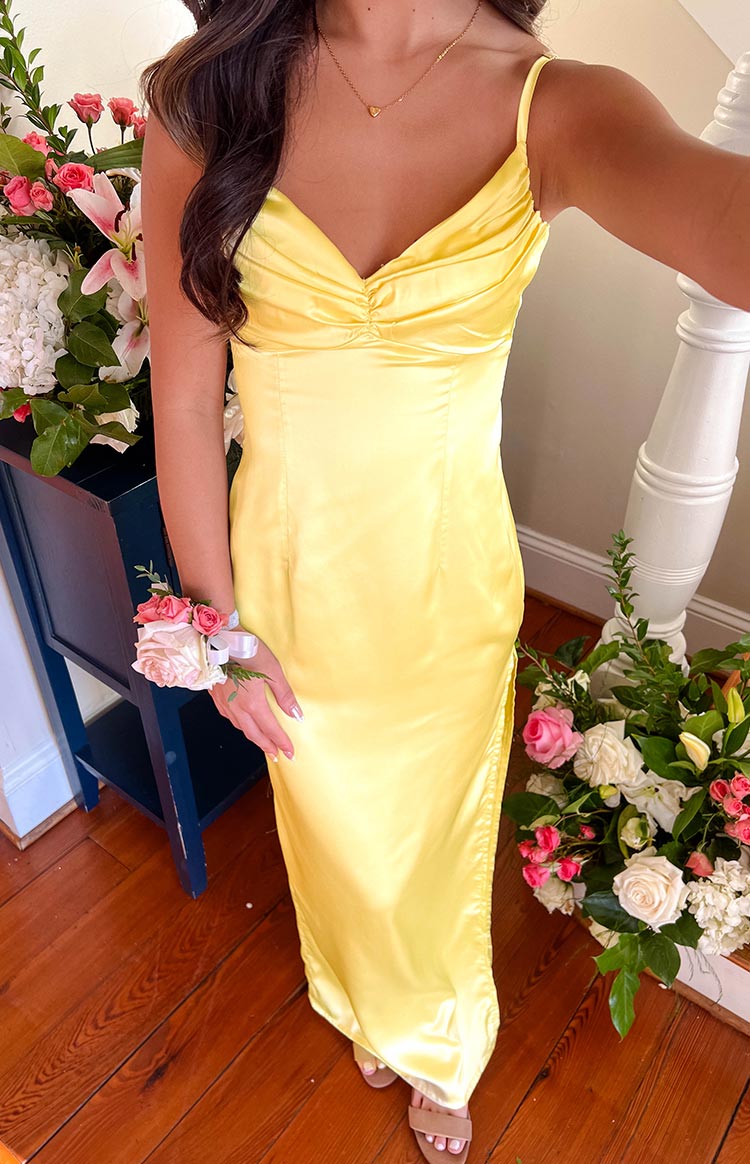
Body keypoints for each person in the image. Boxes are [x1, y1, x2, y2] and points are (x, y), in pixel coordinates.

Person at [138, 2, 750, 1159]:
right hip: (285, 578)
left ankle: (439, 1037)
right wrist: (217, 630)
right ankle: (369, 997)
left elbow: (721, 214)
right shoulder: (203, 92)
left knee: (427, 838)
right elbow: (178, 396)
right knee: (330, 828)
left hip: (442, 584)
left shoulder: (559, 103)